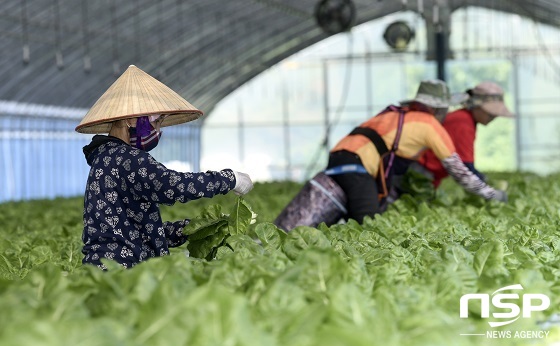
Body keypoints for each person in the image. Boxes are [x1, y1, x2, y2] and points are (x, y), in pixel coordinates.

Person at [75, 65, 253, 269]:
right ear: (131, 120)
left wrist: (195, 227)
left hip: (104, 268)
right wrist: (229, 179)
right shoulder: (128, 159)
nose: (157, 130)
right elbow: (172, 185)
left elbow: (138, 230)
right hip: (122, 270)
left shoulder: (106, 157)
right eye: (155, 122)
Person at [274, 79, 507, 231]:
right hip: (357, 166)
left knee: (348, 208)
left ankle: (293, 236)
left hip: (340, 157)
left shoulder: (398, 113)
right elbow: (460, 172)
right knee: (369, 224)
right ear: (438, 109)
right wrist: (491, 194)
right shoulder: (431, 126)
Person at [418, 81, 514, 188]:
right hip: (420, 171)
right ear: (477, 106)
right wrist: (488, 188)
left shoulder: (465, 119)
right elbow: (466, 166)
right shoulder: (463, 122)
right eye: (490, 113)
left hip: (426, 173)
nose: (493, 117)